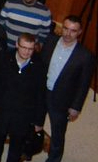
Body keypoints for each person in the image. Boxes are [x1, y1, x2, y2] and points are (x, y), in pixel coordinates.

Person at [0, 33, 47, 162]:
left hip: (22, 117)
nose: (27, 52)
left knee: (15, 151)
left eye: (30, 49)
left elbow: (41, 95)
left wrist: (39, 121)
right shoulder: (3, 59)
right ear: (17, 45)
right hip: (1, 112)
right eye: (24, 47)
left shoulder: (39, 67)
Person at [41, 16, 93, 162]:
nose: (68, 34)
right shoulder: (50, 41)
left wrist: (76, 107)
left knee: (58, 133)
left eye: (73, 31)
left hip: (62, 98)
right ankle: (29, 149)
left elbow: (83, 84)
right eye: (66, 28)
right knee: (33, 122)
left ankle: (54, 159)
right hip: (42, 91)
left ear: (79, 32)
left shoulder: (85, 56)